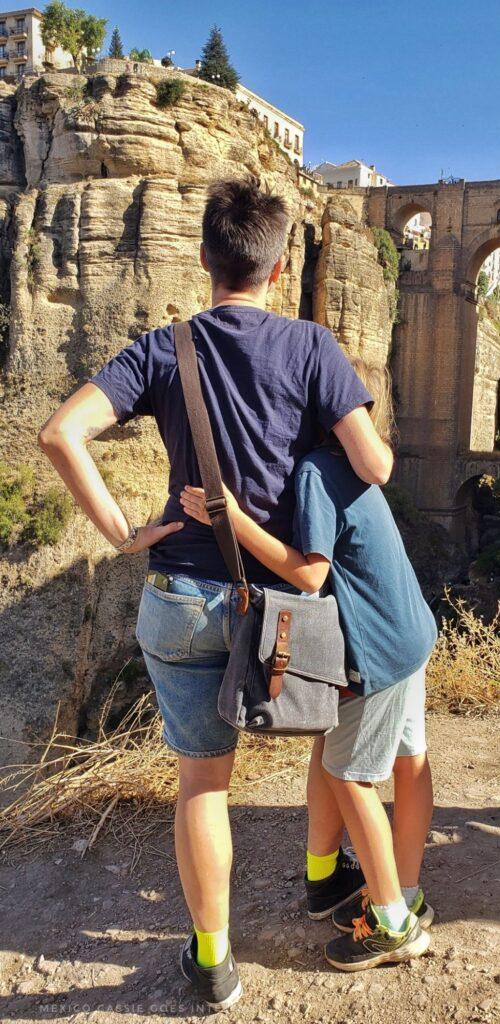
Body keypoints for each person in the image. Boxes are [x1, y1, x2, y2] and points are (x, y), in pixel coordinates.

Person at [38, 179, 393, 1011]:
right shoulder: (311, 347)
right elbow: (374, 466)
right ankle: (323, 876)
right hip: (286, 608)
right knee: (325, 743)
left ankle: (214, 960)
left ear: (205, 259)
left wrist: (125, 533)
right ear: (277, 270)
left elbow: (61, 433)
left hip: (183, 594)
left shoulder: (165, 350)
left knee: (203, 784)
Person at [181, 357, 438, 972]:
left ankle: (393, 924)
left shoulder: (314, 475)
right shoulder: (347, 465)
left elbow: (311, 573)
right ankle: (393, 890)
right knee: (403, 759)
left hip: (377, 648)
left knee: (350, 775)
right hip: (411, 629)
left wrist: (232, 520)